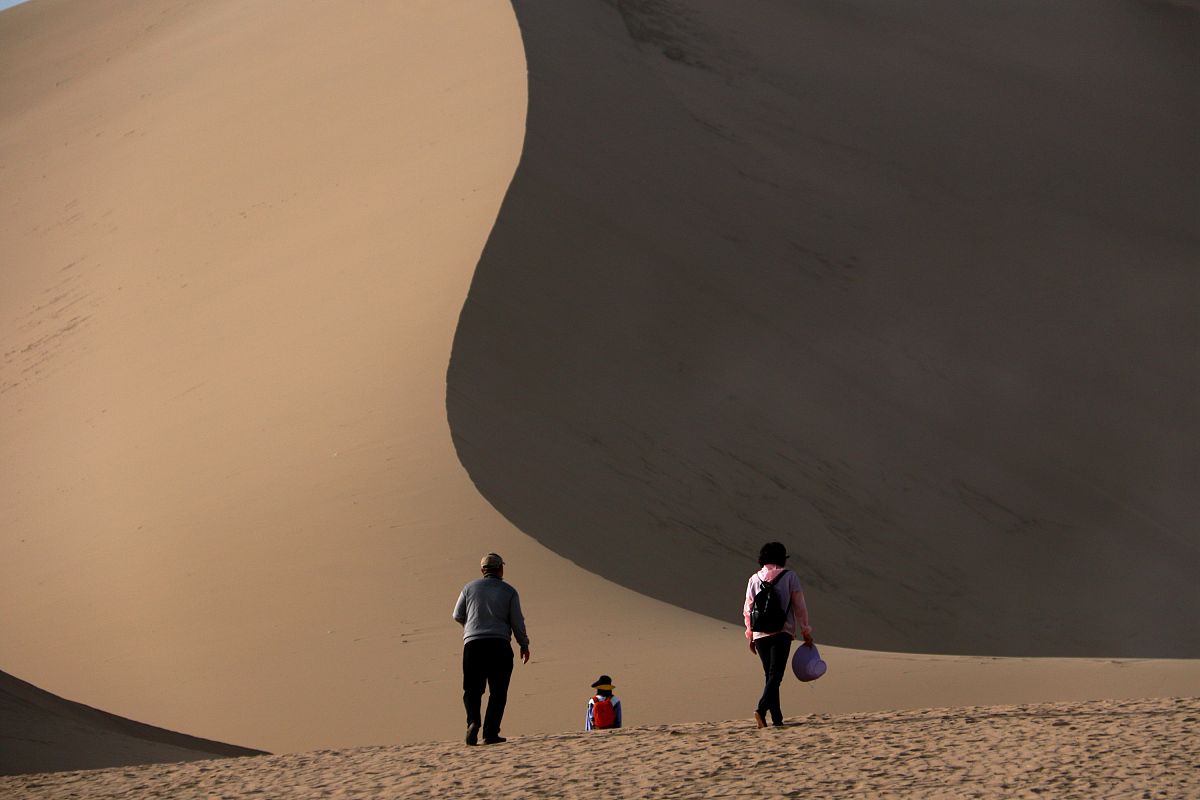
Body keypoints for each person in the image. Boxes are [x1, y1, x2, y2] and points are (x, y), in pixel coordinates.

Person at [452, 552, 530, 745]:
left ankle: (473, 722)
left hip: (473, 645)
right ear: (501, 569)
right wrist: (524, 644)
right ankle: (490, 733)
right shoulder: (509, 591)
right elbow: (517, 621)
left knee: (472, 689)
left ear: (482, 570)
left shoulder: (469, 588)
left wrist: (471, 627)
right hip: (499, 645)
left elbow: (457, 614)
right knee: (498, 691)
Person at [744, 541, 812, 728]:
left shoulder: (754, 579)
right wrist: (806, 630)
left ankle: (777, 719)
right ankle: (761, 709)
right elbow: (799, 605)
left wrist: (750, 635)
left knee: (770, 676)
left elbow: (748, 609)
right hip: (782, 631)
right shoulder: (790, 576)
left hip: (760, 634)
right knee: (776, 675)